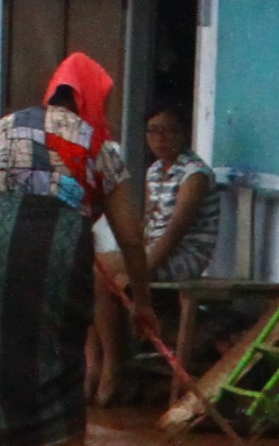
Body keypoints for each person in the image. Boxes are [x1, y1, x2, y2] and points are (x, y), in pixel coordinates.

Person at [0, 52, 150, 446]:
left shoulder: (5, 126)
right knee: (61, 361)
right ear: (91, 98)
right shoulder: (101, 147)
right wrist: (142, 301)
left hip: (0, 240)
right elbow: (132, 239)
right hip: (64, 247)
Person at [88, 105, 215, 397]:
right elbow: (149, 223)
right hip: (153, 250)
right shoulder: (155, 171)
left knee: (102, 272)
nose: (161, 138)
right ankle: (96, 361)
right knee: (91, 267)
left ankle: (114, 364)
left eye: (169, 131)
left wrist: (139, 272)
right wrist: (132, 259)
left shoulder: (195, 175)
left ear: (184, 134)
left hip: (183, 256)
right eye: (153, 131)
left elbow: (173, 234)